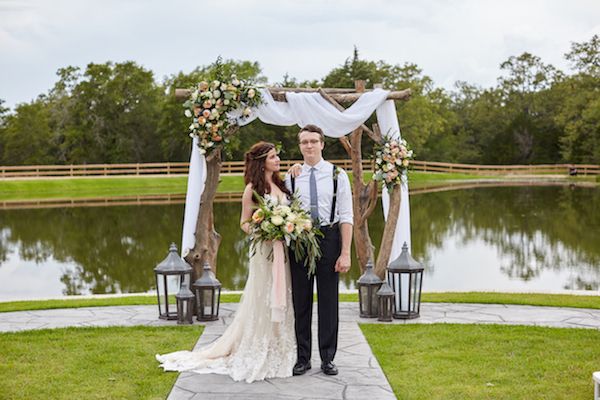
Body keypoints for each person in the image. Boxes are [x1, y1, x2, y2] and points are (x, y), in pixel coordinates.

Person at [156, 141, 296, 383]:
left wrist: (286, 226)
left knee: (283, 292)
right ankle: (261, 343)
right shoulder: (252, 189)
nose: (278, 160)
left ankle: (281, 343)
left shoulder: (281, 185)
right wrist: (264, 229)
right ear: (262, 162)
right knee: (262, 294)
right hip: (264, 252)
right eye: (273, 157)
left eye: (277, 156)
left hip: (283, 252)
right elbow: (244, 223)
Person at [285, 124, 353, 376]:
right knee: (300, 302)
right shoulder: (291, 176)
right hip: (300, 241)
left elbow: (346, 215)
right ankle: (303, 358)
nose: (310, 146)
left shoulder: (338, 175)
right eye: (305, 142)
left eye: (314, 141)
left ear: (323, 144)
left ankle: (327, 358)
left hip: (329, 239)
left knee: (328, 301)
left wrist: (345, 252)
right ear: (300, 146)